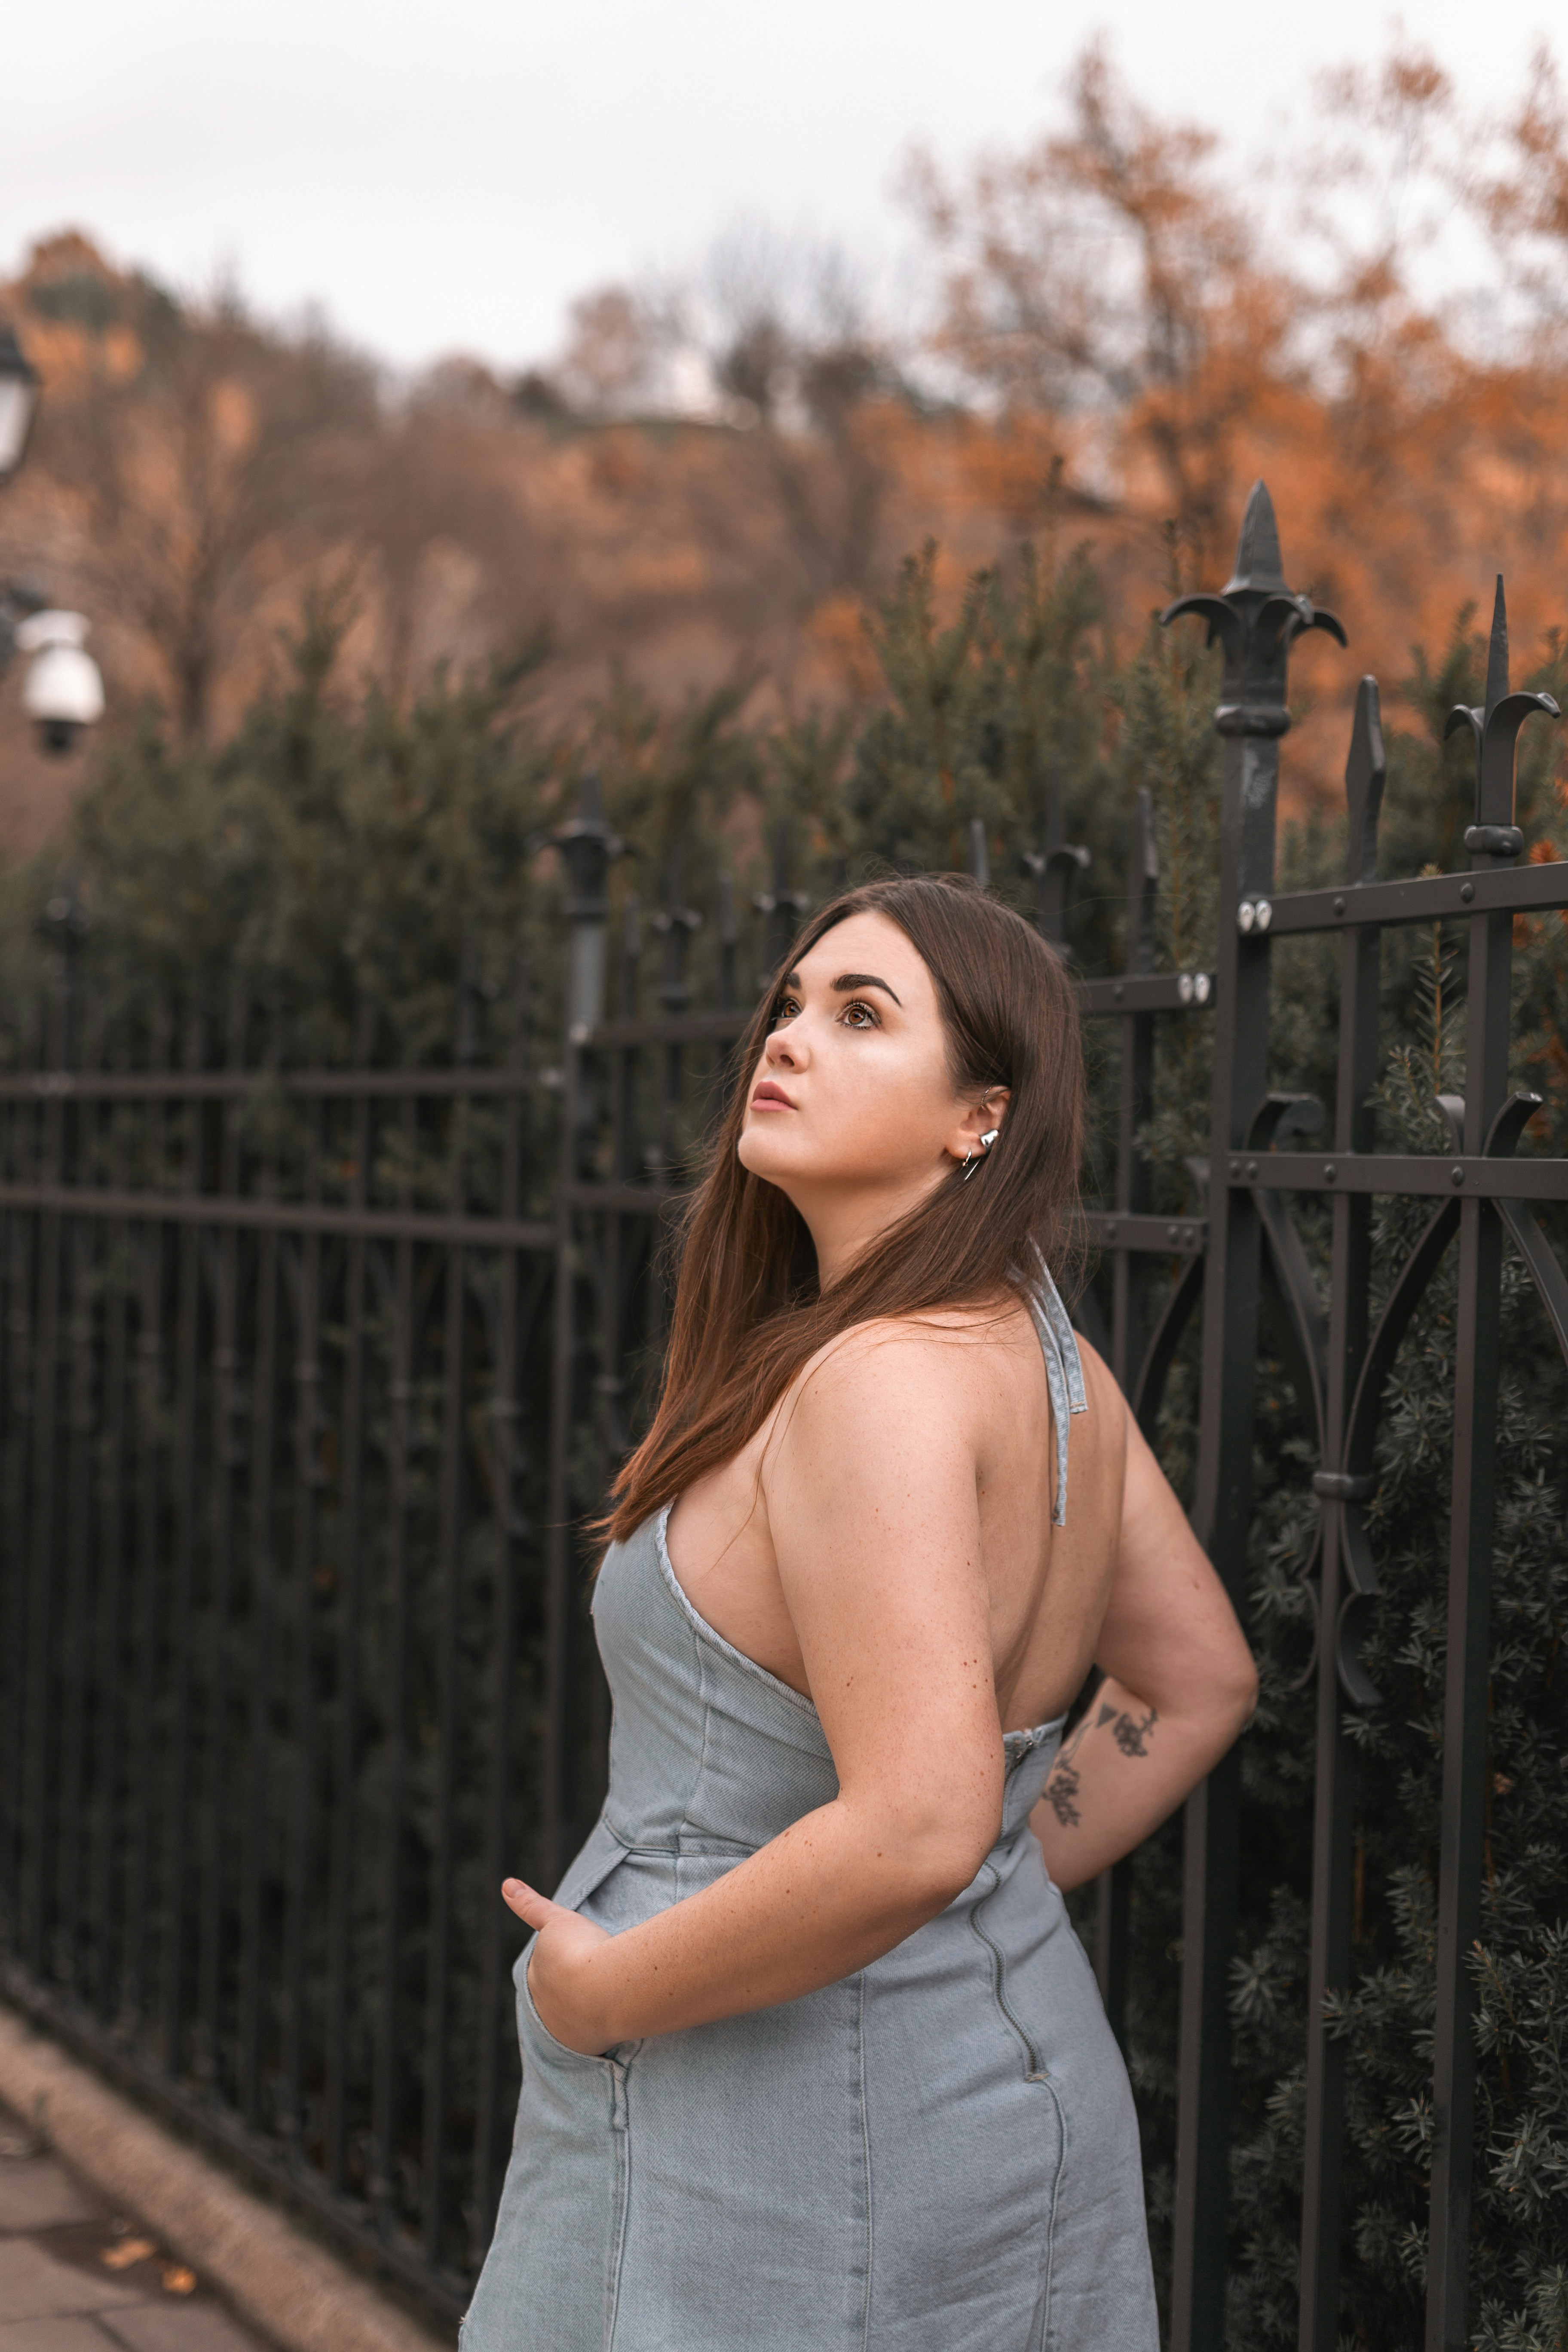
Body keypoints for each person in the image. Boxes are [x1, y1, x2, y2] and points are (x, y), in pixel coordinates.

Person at [462, 873, 1257, 2352]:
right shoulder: (1053, 1362)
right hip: (996, 2079)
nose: (790, 1036)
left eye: (862, 1013)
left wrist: (602, 1994)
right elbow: (1192, 1680)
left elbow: (912, 1825)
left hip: (771, 2130)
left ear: (983, 1117)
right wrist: (984, 1889)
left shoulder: (876, 1381)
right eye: (792, 1002)